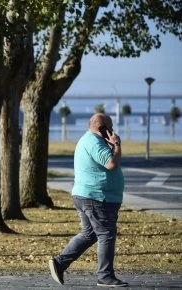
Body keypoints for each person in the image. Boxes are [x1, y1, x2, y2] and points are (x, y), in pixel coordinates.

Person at [49, 113, 128, 288]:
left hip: (88, 195)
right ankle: (105, 276)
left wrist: (109, 144)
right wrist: (116, 144)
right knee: (106, 235)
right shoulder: (93, 142)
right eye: (110, 127)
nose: (112, 130)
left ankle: (59, 263)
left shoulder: (91, 140)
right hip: (97, 197)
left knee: (89, 234)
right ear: (102, 128)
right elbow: (111, 164)